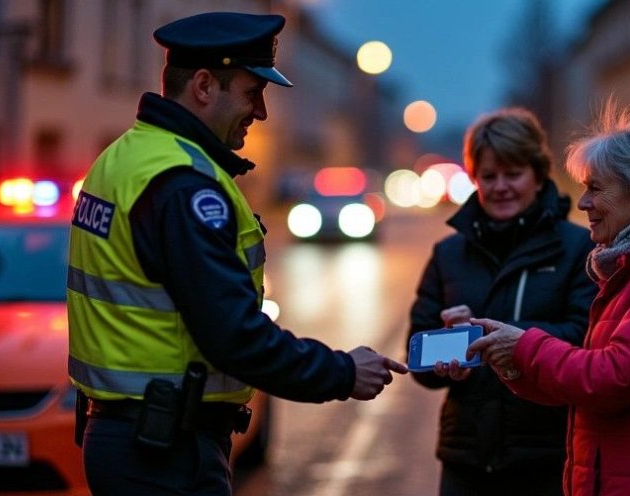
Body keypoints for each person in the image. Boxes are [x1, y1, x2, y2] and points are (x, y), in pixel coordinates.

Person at [67, 12, 406, 495]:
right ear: (204, 86)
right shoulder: (184, 186)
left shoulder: (125, 158)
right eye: (253, 92)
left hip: (131, 441)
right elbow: (234, 337)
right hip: (164, 453)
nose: (261, 112)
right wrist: (343, 371)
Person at [466, 104, 630, 495]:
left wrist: (523, 346)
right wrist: (508, 359)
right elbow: (577, 384)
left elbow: (609, 378)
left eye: (595, 188)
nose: (583, 203)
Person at [406, 107, 598, 495]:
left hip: (549, 458)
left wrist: (505, 340)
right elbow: (418, 361)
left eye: (513, 174)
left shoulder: (579, 249)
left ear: (538, 173)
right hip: (466, 458)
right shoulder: (448, 254)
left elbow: (584, 338)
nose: (500, 187)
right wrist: (446, 357)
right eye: (488, 176)